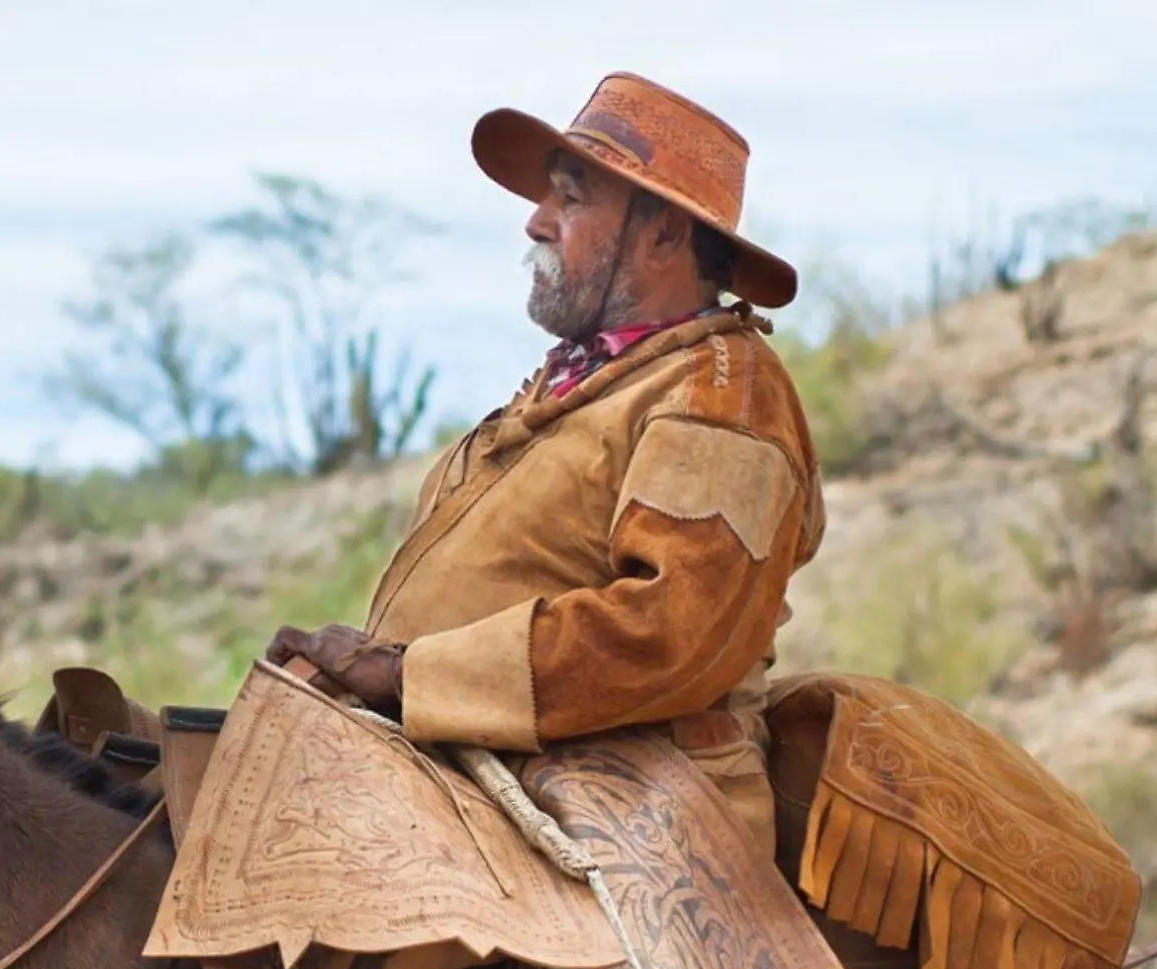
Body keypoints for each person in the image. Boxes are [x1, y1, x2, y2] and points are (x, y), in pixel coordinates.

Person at [266, 71, 825, 853]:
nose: (535, 221)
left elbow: (670, 633)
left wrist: (407, 679)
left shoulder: (721, 399)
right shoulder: (593, 377)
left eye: (569, 198)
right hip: (486, 778)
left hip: (641, 820)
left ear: (663, 233)